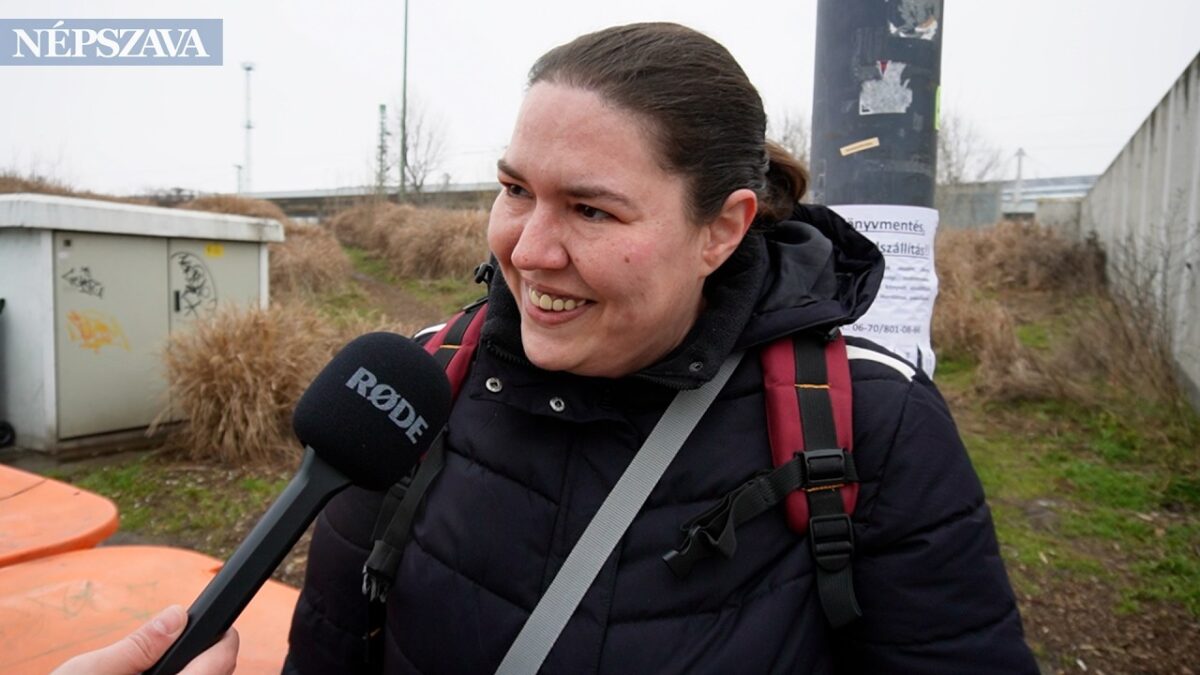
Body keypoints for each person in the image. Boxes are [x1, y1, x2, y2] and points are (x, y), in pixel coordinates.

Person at [62, 21, 1037, 674]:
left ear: (722, 228)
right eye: (516, 189)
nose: (528, 250)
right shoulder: (419, 391)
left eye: (591, 208)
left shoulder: (869, 429)